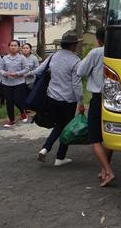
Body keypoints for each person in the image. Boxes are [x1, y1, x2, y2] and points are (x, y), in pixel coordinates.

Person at [30, 30, 85, 167]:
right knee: (66, 127)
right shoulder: (75, 60)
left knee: (59, 125)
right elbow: (76, 84)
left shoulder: (53, 56)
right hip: (68, 100)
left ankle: (45, 148)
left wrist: (25, 74)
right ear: (73, 45)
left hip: (52, 97)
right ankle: (60, 157)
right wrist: (80, 102)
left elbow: (39, 70)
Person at [77, 27, 115, 187]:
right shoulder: (118, 51)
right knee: (110, 136)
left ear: (98, 40)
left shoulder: (95, 53)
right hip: (115, 99)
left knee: (95, 139)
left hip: (98, 99)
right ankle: (104, 169)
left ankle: (109, 171)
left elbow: (80, 71)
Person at [0, 40, 29, 127]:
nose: (13, 47)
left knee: (17, 100)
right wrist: (5, 73)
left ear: (18, 47)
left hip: (19, 82)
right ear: (9, 47)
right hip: (7, 83)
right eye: (11, 45)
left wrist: (17, 74)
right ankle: (11, 120)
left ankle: (22, 111)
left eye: (15, 45)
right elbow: (0, 69)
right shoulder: (4, 58)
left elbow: (26, 69)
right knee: (9, 102)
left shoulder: (22, 58)